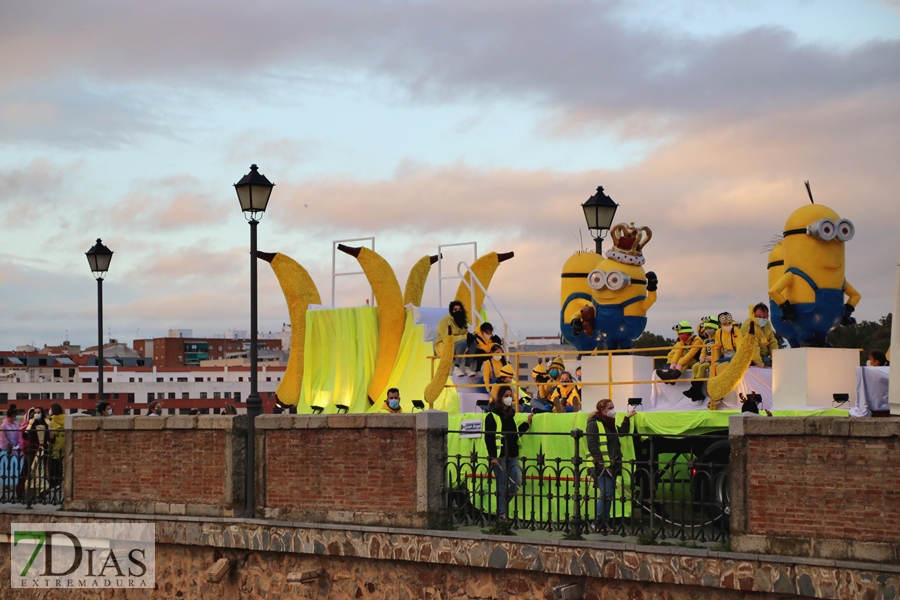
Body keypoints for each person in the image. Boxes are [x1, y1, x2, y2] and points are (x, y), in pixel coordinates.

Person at [484, 385, 533, 519]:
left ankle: (502, 507)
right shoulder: (492, 416)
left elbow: (515, 434)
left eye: (510, 395)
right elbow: (489, 437)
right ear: (499, 398)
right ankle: (502, 513)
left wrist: (527, 424)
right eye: (506, 396)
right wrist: (493, 456)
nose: (509, 398)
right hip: (499, 456)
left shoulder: (511, 415)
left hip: (512, 454)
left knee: (517, 480)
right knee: (502, 484)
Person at [586, 399, 635, 533]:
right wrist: (599, 460)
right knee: (606, 492)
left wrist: (627, 418)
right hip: (601, 466)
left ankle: (605, 522)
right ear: (603, 410)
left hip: (612, 465)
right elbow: (592, 443)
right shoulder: (594, 424)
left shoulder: (609, 424)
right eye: (611, 407)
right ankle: (597, 521)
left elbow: (620, 434)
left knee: (609, 494)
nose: (614, 409)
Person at [434, 300, 478, 377]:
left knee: (473, 342)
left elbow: (465, 334)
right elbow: (447, 339)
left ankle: (467, 367)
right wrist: (465, 337)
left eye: (460, 309)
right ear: (451, 311)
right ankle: (456, 368)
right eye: (455, 310)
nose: (458, 311)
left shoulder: (462, 322)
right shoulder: (444, 321)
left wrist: (470, 337)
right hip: (444, 347)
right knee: (463, 342)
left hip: (458, 347)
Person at [684, 317, 719, 402]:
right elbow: (703, 351)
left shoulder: (718, 339)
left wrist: (709, 358)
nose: (707, 330)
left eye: (709, 328)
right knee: (695, 366)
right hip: (705, 359)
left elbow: (718, 353)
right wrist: (702, 358)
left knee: (702, 367)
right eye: (706, 328)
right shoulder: (706, 341)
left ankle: (696, 389)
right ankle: (696, 390)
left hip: (713, 360)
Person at [22, 408, 50, 500]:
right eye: (35, 412)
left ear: (42, 413)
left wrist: (50, 427)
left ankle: (42, 489)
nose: (36, 414)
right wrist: (30, 424)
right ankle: (34, 491)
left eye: (38, 412)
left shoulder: (47, 423)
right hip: (33, 450)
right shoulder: (31, 423)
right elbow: (25, 436)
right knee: (33, 470)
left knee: (41, 469)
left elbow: (51, 437)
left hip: (43, 449)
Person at [741, 303, 778, 367]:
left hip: (764, 356)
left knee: (780, 363)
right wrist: (761, 365)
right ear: (754, 315)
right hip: (749, 357)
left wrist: (775, 359)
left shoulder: (767, 324)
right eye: (759, 316)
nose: (762, 319)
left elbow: (773, 342)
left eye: (765, 317)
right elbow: (753, 348)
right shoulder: (749, 325)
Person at [48, 403, 65, 491]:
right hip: (63, 445)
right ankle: (58, 482)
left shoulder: (51, 419)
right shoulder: (65, 418)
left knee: (52, 465)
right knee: (59, 465)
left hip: (54, 445)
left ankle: (53, 484)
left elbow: (50, 433)